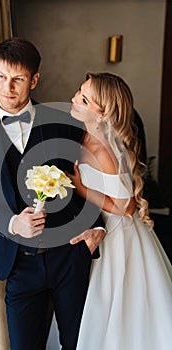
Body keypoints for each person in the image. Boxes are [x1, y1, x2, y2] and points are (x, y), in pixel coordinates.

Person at [0, 38, 106, 350]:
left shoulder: (64, 122)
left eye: (18, 79)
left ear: (35, 80)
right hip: (16, 263)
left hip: (69, 256)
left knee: (79, 343)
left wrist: (97, 227)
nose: (7, 88)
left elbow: (91, 178)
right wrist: (13, 222)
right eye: (1, 77)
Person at [67, 72, 172, 350]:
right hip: (97, 228)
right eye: (80, 91)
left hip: (117, 239)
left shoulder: (106, 151)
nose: (75, 98)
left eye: (84, 99)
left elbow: (128, 208)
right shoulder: (85, 135)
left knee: (116, 313)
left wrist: (82, 189)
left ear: (102, 114)